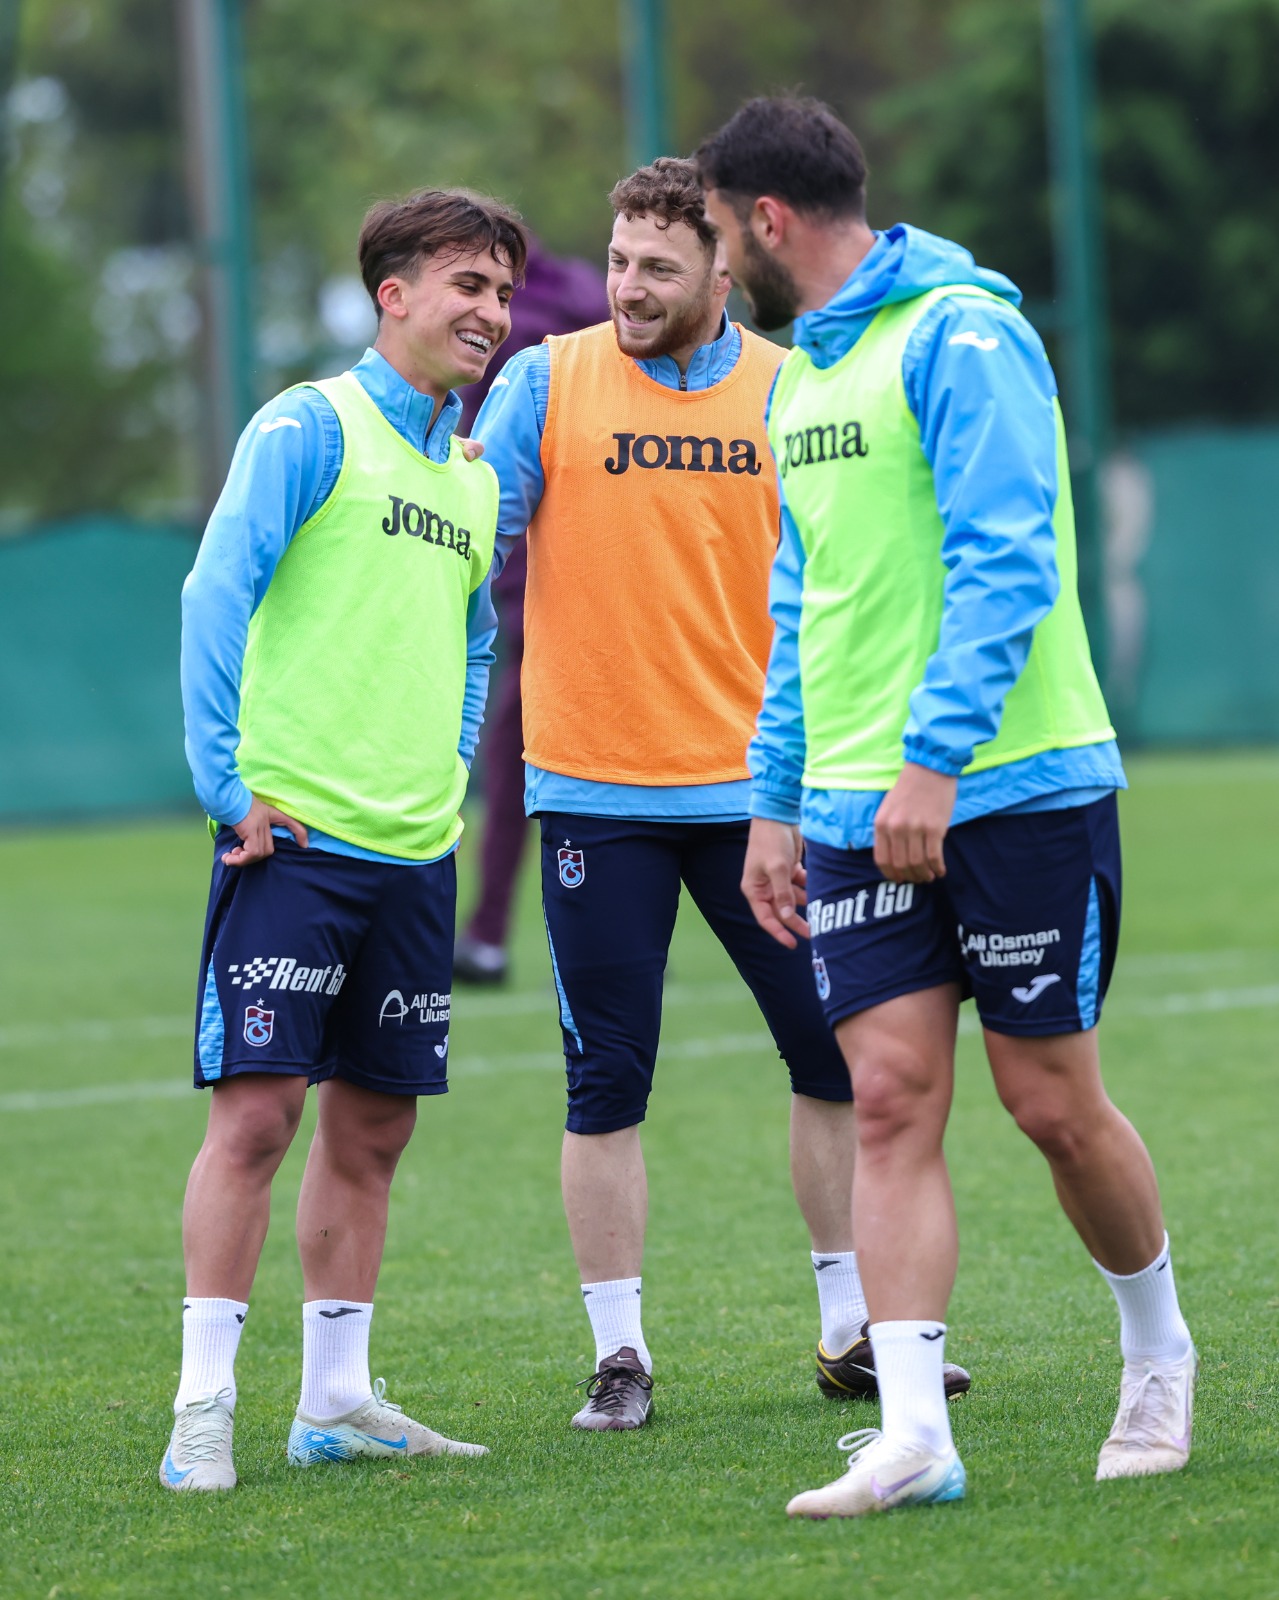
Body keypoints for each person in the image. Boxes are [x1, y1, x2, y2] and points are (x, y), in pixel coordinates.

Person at [696, 96, 1195, 1516]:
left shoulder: (962, 336)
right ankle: (912, 1434)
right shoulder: (796, 380)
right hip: (850, 807)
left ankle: (1156, 1352)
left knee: (1048, 1101)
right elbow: (801, 604)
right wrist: (773, 802)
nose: (720, 265)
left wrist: (934, 762)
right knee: (889, 1097)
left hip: (1009, 789)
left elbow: (1007, 557)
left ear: (768, 219)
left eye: (720, 235)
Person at [473, 157, 968, 1430]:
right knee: (605, 1079)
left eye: (658, 267)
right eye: (617, 261)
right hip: (595, 795)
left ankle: (852, 1329)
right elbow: (468, 547)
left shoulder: (792, 388)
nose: (627, 288)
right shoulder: (544, 381)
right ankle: (618, 1355)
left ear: (721, 269)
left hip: (766, 802)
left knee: (833, 1060)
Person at [164, 188, 527, 1491]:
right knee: (258, 1119)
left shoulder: (471, 479)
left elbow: (478, 637)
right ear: (393, 293)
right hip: (294, 841)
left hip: (413, 852)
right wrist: (224, 783)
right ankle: (203, 1407)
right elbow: (216, 590)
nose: (490, 313)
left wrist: (449, 765)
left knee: (373, 1130)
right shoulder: (308, 426)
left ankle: (334, 1402)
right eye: (467, 286)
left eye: (502, 292)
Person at [453, 242, 610, 985]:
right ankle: (625, 918)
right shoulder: (589, 302)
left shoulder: (511, 324)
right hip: (607, 561)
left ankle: (488, 931)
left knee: (516, 750)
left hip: (527, 567)